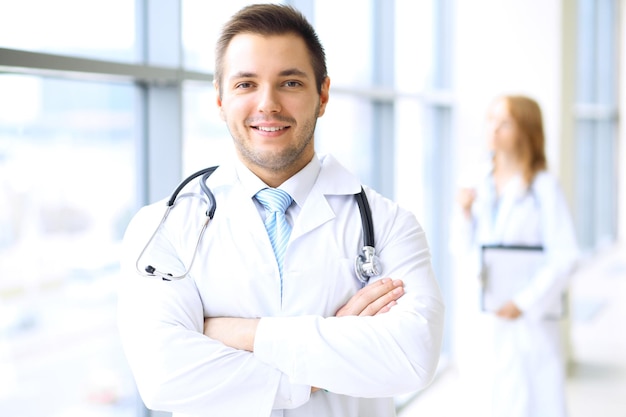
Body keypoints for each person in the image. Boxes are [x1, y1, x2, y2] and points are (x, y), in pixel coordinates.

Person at [117, 4, 445, 417]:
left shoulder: (390, 224)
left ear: (322, 95)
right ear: (219, 99)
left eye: (290, 82)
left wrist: (241, 333)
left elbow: (412, 357)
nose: (268, 104)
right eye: (246, 85)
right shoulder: (163, 226)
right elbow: (164, 376)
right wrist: (323, 368)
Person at [450, 94, 579, 417]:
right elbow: (460, 250)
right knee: (483, 400)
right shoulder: (473, 181)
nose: (493, 129)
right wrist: (464, 215)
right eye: (491, 120)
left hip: (526, 319)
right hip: (484, 315)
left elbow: (565, 256)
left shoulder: (544, 188)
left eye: (504, 123)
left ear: (526, 131)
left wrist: (523, 302)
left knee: (529, 401)